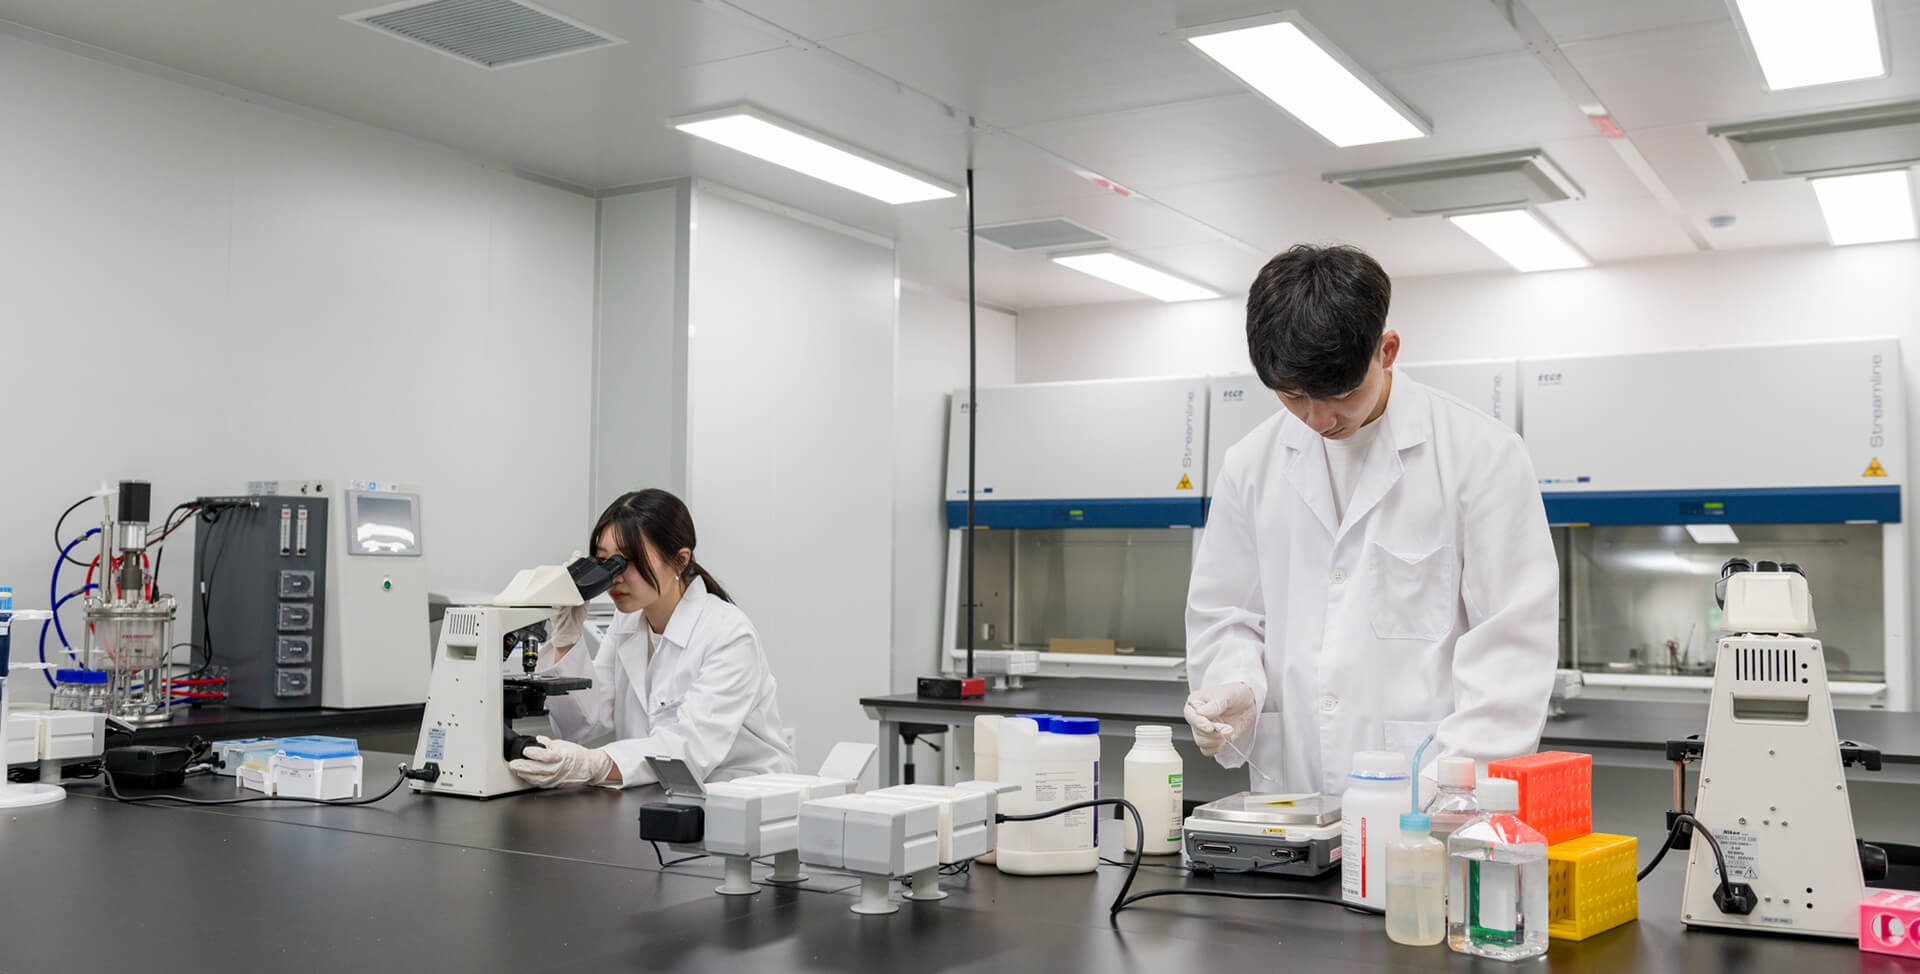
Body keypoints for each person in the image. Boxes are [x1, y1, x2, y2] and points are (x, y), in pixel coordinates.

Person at [1183, 244, 1557, 797]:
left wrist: (1443, 797)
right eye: (1293, 396)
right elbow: (1226, 613)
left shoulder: (1482, 455)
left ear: (1387, 351)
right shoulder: (1250, 464)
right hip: (1292, 799)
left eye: (1339, 394)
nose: (1318, 419)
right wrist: (1235, 686)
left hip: (1428, 802)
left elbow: (1512, 649)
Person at [507, 489, 797, 788]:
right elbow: (583, 725)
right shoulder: (628, 622)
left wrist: (595, 764)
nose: (615, 577)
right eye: (605, 561)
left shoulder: (728, 634)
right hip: (660, 794)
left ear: (680, 561)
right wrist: (567, 638)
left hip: (741, 796)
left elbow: (689, 749)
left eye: (629, 560)